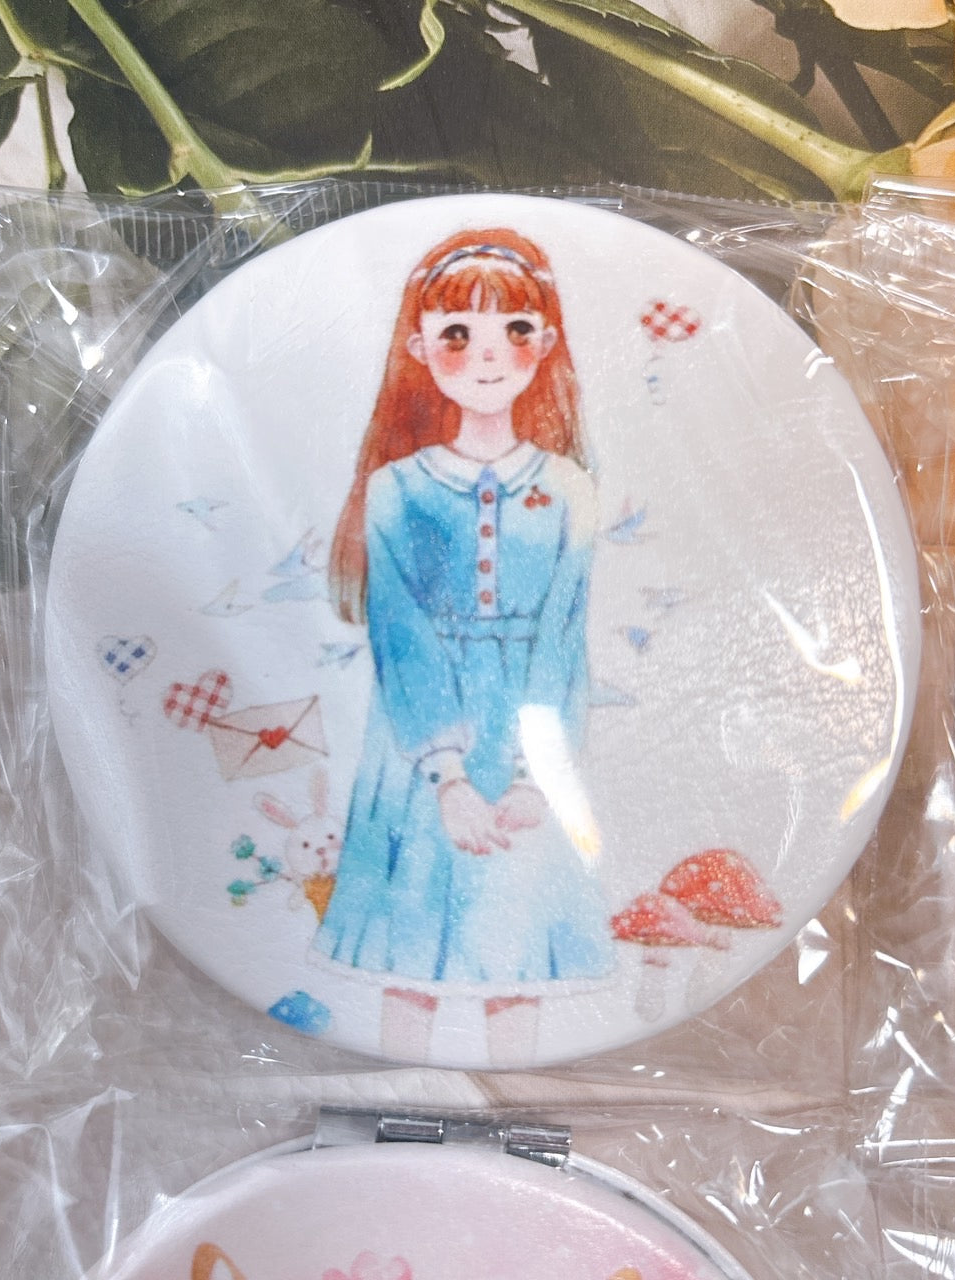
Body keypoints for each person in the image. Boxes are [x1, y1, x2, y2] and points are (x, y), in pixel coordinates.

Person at [314, 227, 613, 1064]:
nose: (487, 355)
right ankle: (398, 1090)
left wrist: (534, 776)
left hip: (528, 739)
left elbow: (563, 638)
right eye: (456, 334)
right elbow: (400, 634)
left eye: (513, 330)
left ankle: (516, 1090)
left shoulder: (569, 489)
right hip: (419, 744)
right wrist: (447, 778)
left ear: (544, 343)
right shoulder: (395, 489)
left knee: (516, 949)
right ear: (419, 349)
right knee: (408, 949)